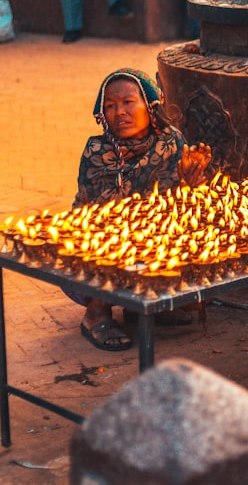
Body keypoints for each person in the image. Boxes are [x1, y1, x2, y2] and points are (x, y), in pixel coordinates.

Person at [73, 69, 212, 350]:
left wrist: (191, 184)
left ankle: (141, 305)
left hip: (151, 237)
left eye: (127, 102)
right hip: (107, 241)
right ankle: (96, 313)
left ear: (150, 106)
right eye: (110, 106)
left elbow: (181, 209)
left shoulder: (171, 142)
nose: (119, 112)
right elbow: (104, 214)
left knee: (196, 231)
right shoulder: (97, 152)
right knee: (107, 241)